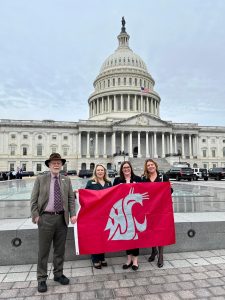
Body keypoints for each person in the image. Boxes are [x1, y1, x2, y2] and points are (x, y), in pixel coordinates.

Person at [30, 153, 77, 293]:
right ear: (49, 165)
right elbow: (33, 199)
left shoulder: (66, 180)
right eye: (54, 163)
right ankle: (41, 278)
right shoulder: (41, 179)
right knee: (43, 251)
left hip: (61, 219)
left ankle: (58, 274)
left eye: (58, 163)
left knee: (59, 250)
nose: (56, 165)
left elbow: (70, 199)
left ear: (61, 165)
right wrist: (36, 216)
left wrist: (72, 214)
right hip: (46, 219)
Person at [142, 158, 173, 268]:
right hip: (149, 209)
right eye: (148, 165)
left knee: (161, 232)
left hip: (161, 209)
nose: (150, 166)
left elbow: (169, 192)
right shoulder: (144, 178)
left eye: (152, 164)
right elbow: (142, 192)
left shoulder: (163, 177)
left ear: (155, 166)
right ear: (146, 168)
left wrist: (170, 187)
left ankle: (161, 256)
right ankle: (153, 250)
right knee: (150, 231)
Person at [113, 161, 142, 271]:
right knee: (126, 236)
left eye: (128, 167)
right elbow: (111, 194)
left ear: (131, 168)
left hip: (135, 212)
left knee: (135, 236)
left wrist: (166, 186)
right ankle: (129, 259)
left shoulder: (138, 179)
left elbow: (147, 190)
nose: (126, 169)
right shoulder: (117, 180)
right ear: (121, 169)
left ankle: (135, 261)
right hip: (123, 213)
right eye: (124, 167)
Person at [85, 164, 112, 269]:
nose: (100, 172)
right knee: (95, 237)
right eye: (98, 170)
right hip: (95, 215)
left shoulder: (109, 183)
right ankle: (95, 258)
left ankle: (102, 257)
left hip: (106, 215)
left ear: (105, 172)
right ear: (95, 172)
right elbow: (86, 196)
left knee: (104, 236)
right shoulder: (91, 182)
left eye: (102, 170)